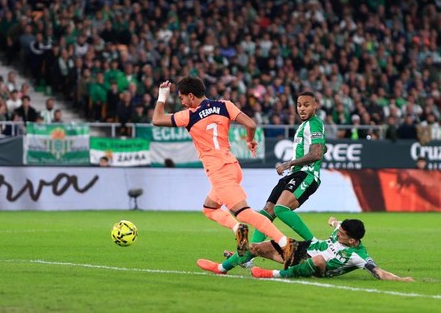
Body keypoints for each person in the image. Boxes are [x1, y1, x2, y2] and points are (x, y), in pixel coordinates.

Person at [151, 77, 296, 262]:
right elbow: (251, 124)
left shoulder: (189, 115)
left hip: (219, 173)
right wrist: (250, 140)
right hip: (233, 167)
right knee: (209, 208)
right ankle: (237, 229)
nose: (182, 102)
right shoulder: (224, 105)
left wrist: (162, 95)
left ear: (191, 96)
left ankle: (284, 242)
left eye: (182, 98)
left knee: (244, 213)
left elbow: (157, 119)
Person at [210, 91, 326, 273]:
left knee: (281, 209)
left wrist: (289, 163)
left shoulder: (314, 124)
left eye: (306, 105)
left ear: (315, 106)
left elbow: (317, 153)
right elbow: (321, 148)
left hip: (307, 174)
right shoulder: (305, 125)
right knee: (266, 214)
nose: (302, 109)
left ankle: (315, 245)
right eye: (299, 105)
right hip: (294, 174)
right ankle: (248, 255)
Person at [245, 217, 413, 281]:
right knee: (257, 247)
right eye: (338, 232)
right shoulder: (342, 229)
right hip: (304, 249)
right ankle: (233, 263)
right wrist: (333, 222)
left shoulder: (357, 255)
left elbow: (378, 272)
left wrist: (400, 279)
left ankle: (273, 274)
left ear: (353, 241)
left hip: (319, 267)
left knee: (318, 260)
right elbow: (335, 222)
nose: (338, 234)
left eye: (341, 234)